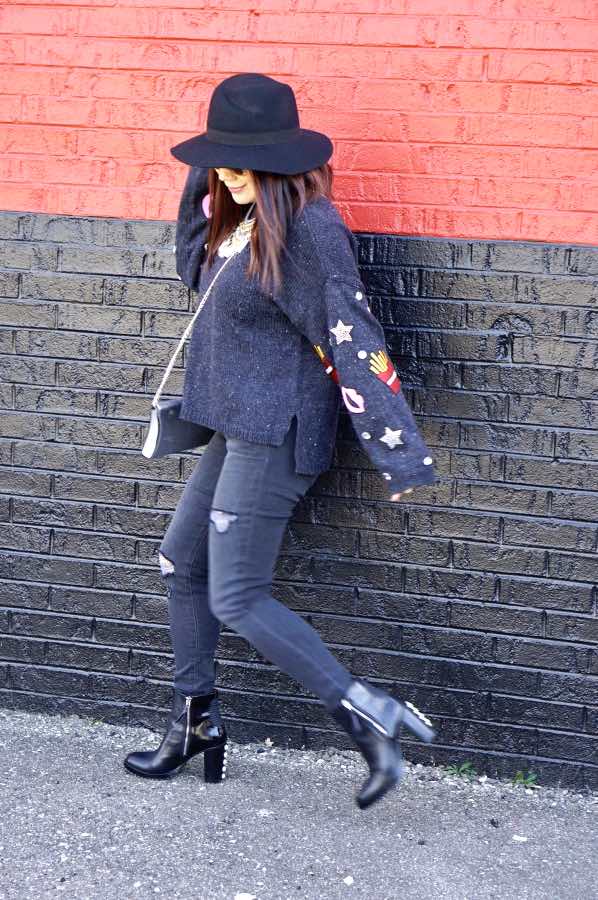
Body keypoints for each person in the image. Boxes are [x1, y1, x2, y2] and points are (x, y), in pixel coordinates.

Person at [124, 73, 438, 810]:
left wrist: (394, 445)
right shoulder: (236, 222)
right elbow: (190, 265)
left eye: (241, 163)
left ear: (281, 166)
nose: (226, 175)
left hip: (278, 432)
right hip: (236, 424)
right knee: (182, 563)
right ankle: (196, 723)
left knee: (236, 594)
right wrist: (213, 170)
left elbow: (352, 333)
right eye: (218, 162)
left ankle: (367, 710)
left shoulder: (313, 230)